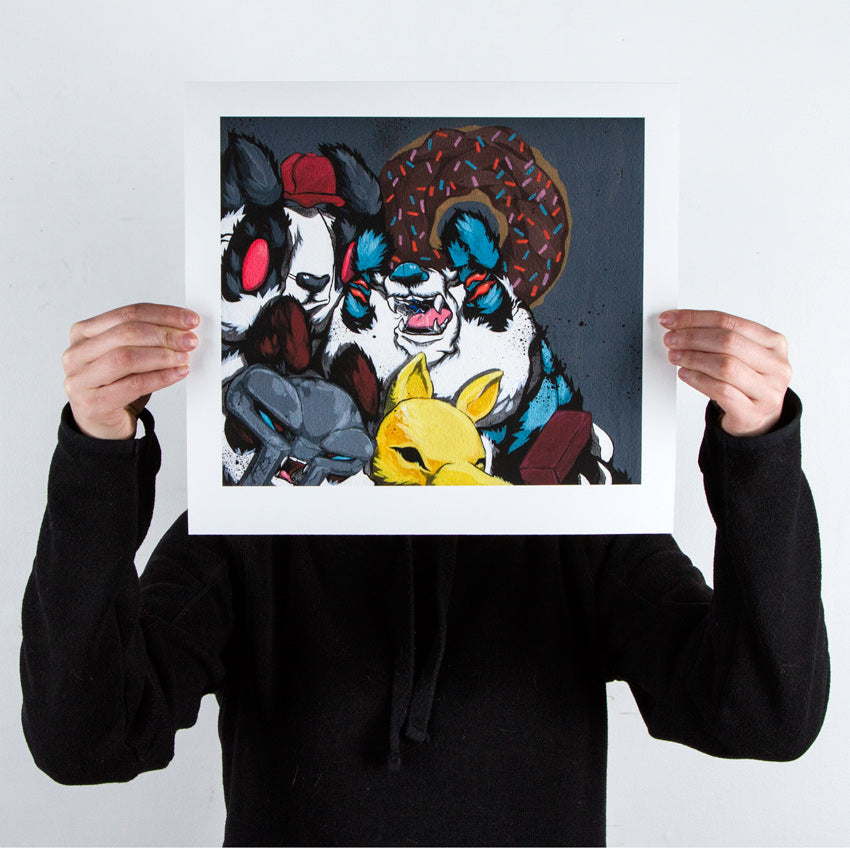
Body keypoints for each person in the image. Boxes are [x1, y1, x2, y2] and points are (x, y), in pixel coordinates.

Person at [21, 303, 829, 846]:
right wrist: (100, 445)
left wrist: (757, 444)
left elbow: (762, 713)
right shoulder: (254, 520)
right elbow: (86, 735)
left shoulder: (580, 525)